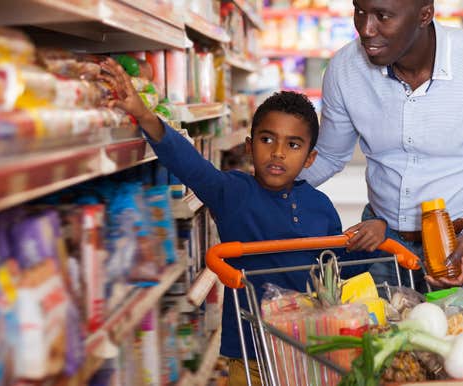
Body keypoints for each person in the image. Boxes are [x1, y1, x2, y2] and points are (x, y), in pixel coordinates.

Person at [99, 58, 385, 386]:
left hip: (310, 350)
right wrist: (145, 115)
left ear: (309, 158)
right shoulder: (233, 192)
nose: (278, 152)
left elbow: (337, 270)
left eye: (293, 145)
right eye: (267, 139)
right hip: (251, 354)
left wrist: (372, 237)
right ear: (249, 146)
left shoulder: (320, 206)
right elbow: (190, 164)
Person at [299, 0, 463, 311]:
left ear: (424, 15)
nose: (365, 29)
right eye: (359, 11)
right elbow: (330, 156)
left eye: (382, 16)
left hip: (459, 246)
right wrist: (268, 181)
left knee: (456, 354)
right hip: (381, 242)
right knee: (383, 354)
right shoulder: (345, 70)